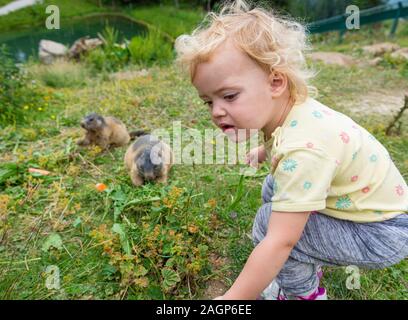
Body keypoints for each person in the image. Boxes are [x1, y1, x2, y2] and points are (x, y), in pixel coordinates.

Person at [175, 0, 408, 300]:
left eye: (229, 96)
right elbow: (287, 139)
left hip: (381, 234)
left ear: (275, 83)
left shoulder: (303, 152)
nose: (217, 111)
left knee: (269, 226)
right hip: (372, 212)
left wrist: (233, 299)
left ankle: (304, 294)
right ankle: (304, 260)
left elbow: (280, 241)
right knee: (274, 186)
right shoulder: (292, 111)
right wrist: (263, 150)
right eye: (209, 101)